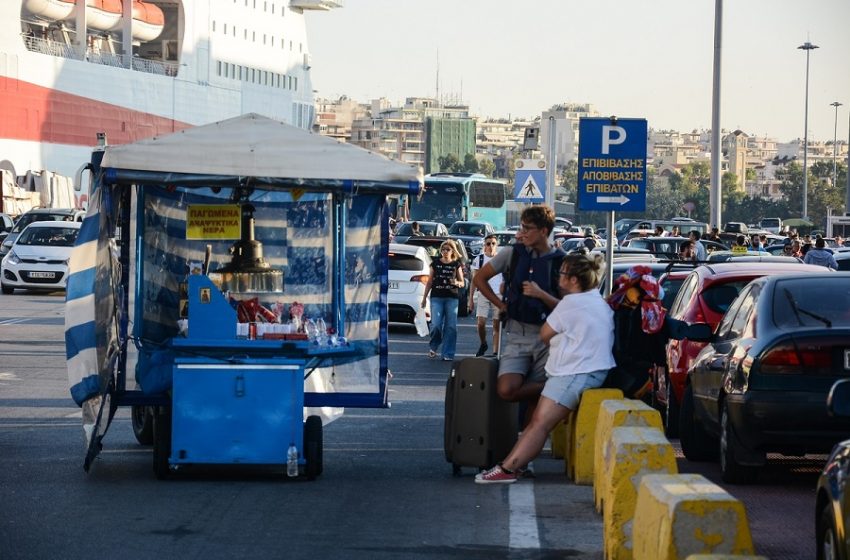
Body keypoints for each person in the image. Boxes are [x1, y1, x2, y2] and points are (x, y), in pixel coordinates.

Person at [475, 252, 614, 484]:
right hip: (589, 369)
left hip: (574, 372)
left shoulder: (570, 304)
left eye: (562, 273)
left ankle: (508, 469)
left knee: (540, 423)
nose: (558, 276)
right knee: (538, 421)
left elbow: (545, 334)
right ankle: (512, 465)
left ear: (573, 280)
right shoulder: (594, 299)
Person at [471, 205, 566, 423]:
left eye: (527, 228)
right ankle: (556, 385)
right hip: (517, 333)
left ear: (543, 231)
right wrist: (500, 305)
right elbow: (479, 279)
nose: (521, 233)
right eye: (521, 227)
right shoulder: (512, 254)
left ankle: (524, 444)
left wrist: (542, 295)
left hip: (550, 338)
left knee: (537, 402)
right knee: (507, 389)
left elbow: (568, 307)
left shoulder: (560, 261)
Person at [421, 241, 464, 361]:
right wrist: (424, 298)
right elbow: (429, 282)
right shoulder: (435, 264)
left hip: (451, 298)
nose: (445, 252)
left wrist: (456, 283)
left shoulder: (456, 265)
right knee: (436, 325)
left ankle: (448, 353)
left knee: (451, 327)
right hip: (437, 298)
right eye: (443, 249)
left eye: (448, 250)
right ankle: (434, 345)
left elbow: (462, 283)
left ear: (453, 251)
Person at [469, 234, 502, 356]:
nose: (491, 246)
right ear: (484, 246)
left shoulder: (501, 259)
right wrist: (471, 299)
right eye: (488, 244)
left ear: (496, 245)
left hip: (498, 295)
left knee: (496, 324)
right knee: (481, 322)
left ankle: (495, 352)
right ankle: (483, 343)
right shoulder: (480, 259)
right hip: (483, 294)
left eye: (493, 243)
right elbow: (474, 280)